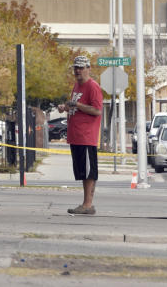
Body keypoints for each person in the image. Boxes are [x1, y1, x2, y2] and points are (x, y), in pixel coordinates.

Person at [57, 55, 103, 215]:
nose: (78, 71)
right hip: (75, 135)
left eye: (81, 68)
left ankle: (88, 205)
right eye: (76, 68)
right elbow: (76, 107)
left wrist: (77, 104)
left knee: (89, 171)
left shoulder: (93, 86)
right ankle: (85, 204)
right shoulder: (76, 86)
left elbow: (97, 110)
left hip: (87, 136)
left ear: (89, 69)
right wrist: (66, 107)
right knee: (82, 171)